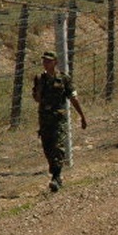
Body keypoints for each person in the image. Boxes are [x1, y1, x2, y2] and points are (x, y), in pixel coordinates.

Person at [32, 50, 87, 192]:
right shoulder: (39, 79)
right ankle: (55, 174)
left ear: (55, 62)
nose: (46, 63)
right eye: (44, 61)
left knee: (58, 147)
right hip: (44, 119)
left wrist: (82, 115)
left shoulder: (63, 79)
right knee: (47, 148)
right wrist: (38, 90)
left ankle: (56, 177)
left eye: (49, 61)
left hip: (58, 119)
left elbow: (73, 98)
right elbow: (37, 99)